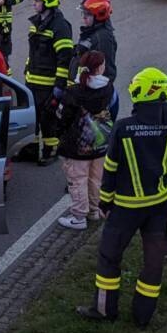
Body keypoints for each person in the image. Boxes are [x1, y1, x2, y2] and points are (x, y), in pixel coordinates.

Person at [76, 67, 167, 327]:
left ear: (141, 93)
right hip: (159, 206)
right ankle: (143, 316)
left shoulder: (123, 128)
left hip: (125, 209)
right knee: (153, 261)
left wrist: (105, 202)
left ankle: (105, 310)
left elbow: (111, 170)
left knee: (109, 258)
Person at [56, 50, 115, 230]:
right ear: (100, 67)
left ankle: (79, 216)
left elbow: (62, 116)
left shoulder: (74, 91)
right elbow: (114, 108)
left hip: (78, 145)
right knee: (96, 179)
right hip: (101, 142)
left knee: (78, 180)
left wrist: (61, 135)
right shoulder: (108, 88)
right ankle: (94, 210)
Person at [19, 0, 74, 165]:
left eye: (37, 0)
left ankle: (51, 150)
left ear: (47, 1)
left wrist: (59, 86)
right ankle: (31, 149)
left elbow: (64, 59)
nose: (34, 4)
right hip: (32, 80)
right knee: (32, 117)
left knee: (47, 118)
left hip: (47, 83)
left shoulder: (60, 27)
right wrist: (27, 69)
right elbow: (33, 52)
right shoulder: (37, 23)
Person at [70, 0, 119, 120]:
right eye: (83, 14)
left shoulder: (102, 38)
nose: (84, 18)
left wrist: (93, 98)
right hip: (86, 91)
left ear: (99, 16)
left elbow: (105, 69)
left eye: (87, 14)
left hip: (95, 99)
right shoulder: (92, 34)